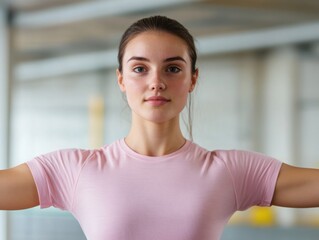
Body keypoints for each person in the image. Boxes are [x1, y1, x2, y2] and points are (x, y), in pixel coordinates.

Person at [1, 15, 319, 240]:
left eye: (172, 68)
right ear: (121, 79)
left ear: (192, 78)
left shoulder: (230, 171)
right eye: (140, 68)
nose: (156, 82)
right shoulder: (75, 170)